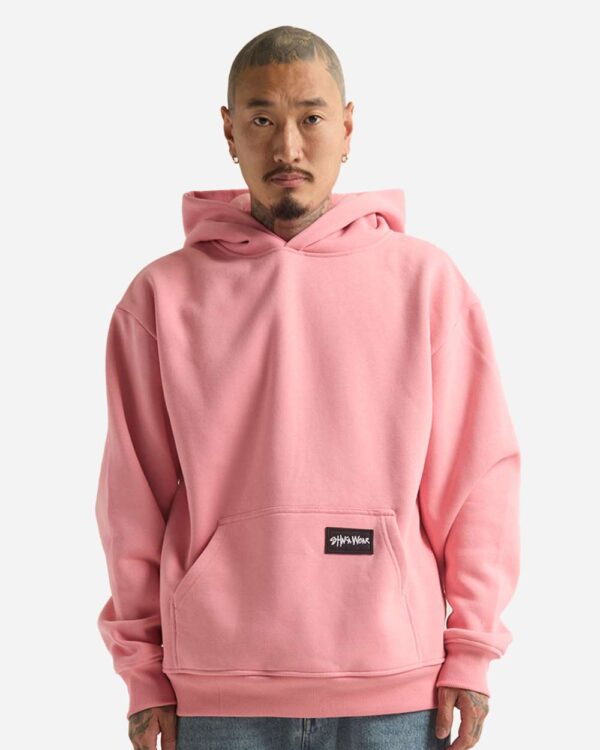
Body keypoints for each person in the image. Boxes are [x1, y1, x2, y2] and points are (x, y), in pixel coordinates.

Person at [95, 24, 520, 750]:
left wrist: (472, 649)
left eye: (311, 118)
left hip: (395, 683)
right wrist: (142, 673)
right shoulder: (161, 297)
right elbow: (130, 501)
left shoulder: (425, 283)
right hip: (217, 690)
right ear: (229, 132)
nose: (288, 147)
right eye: (262, 120)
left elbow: (478, 479)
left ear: (347, 128)